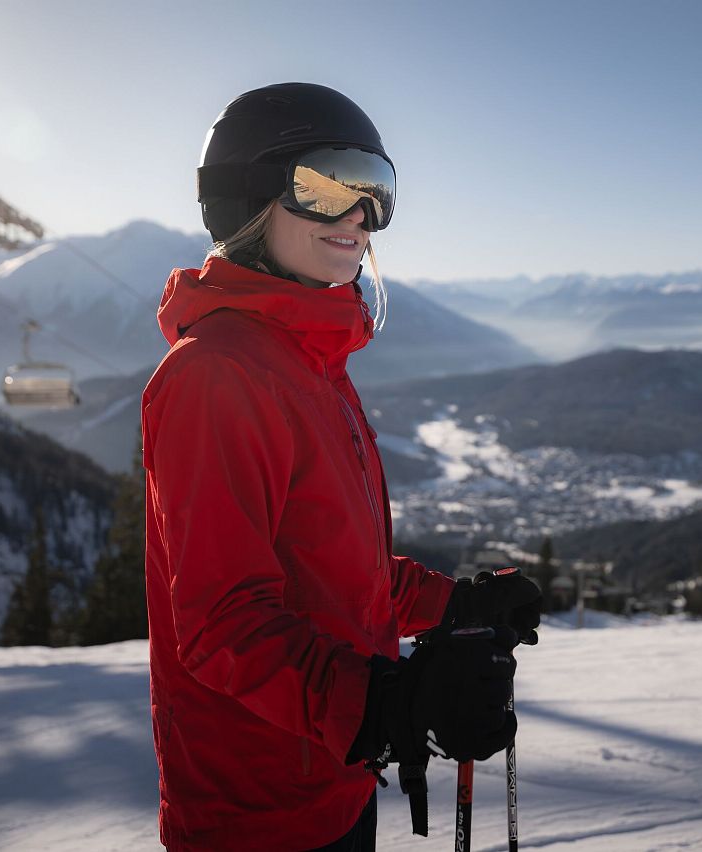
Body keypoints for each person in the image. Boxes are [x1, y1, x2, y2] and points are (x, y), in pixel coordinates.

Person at [141, 82, 541, 852]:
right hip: (257, 813)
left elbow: (337, 568)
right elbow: (224, 623)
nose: (359, 217)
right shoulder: (216, 374)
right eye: (326, 186)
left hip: (334, 776)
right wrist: (384, 705)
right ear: (249, 196)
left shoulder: (312, 362)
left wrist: (454, 605)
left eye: (376, 192)